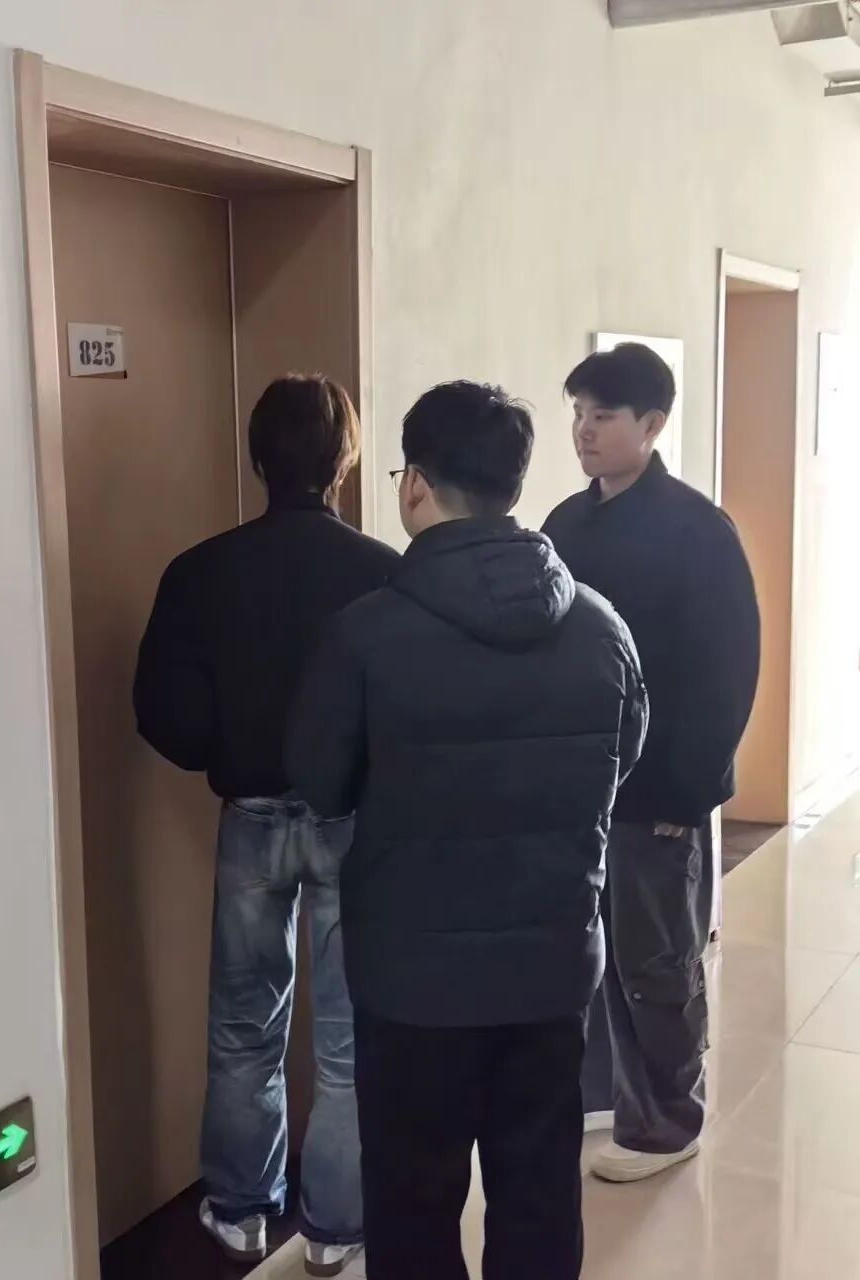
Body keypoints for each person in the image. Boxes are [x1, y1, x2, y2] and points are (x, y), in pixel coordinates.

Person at [288, 381, 648, 1280]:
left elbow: (321, 786)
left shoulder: (363, 637)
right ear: (513, 486)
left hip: (413, 986)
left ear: (415, 483)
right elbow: (622, 757)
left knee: (413, 1208)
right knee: (539, 1196)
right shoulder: (601, 628)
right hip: (549, 972)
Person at [134, 374, 399, 1277]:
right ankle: (336, 1228)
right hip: (351, 819)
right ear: (344, 461)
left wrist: (224, 752)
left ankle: (242, 1211)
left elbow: (160, 711)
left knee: (245, 1022)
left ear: (257, 459)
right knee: (350, 1037)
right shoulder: (381, 573)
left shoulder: (199, 570)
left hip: (249, 815)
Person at [543, 342, 760, 1183]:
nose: (584, 431)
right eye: (578, 414)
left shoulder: (699, 530)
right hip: (580, 787)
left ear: (652, 424)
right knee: (588, 954)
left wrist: (688, 790)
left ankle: (668, 1123)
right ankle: (608, 1099)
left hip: (660, 788)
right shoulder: (565, 524)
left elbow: (726, 672)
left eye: (602, 416)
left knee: (656, 963)